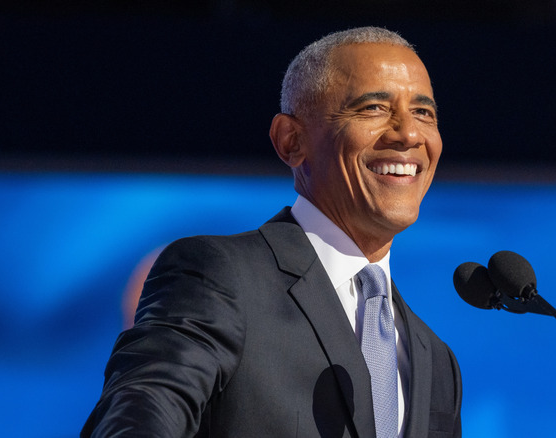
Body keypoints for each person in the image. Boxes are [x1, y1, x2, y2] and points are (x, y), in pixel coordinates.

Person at [81, 26, 462, 438]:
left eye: (424, 113)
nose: (408, 133)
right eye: (372, 108)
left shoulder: (434, 357)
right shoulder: (220, 277)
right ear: (291, 141)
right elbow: (140, 415)